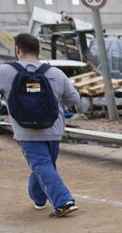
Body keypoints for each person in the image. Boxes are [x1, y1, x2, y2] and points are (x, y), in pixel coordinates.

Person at [0, 33, 80, 217]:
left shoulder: (4, 71)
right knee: (44, 164)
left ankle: (63, 202)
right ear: (38, 51)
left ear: (17, 50)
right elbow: (73, 99)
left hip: (25, 130)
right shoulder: (55, 73)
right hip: (53, 128)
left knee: (42, 165)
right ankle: (38, 198)